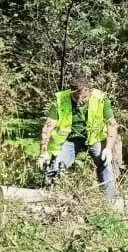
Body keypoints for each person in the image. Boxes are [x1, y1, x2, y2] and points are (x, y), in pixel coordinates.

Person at [39, 73, 119, 201]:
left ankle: (110, 202)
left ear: (90, 91)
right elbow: (48, 127)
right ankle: (49, 198)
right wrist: (43, 152)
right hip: (70, 139)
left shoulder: (100, 98)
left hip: (94, 138)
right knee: (58, 165)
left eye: (85, 97)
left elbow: (112, 124)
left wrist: (108, 148)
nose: (80, 100)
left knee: (105, 163)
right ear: (71, 91)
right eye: (76, 96)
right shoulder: (60, 100)